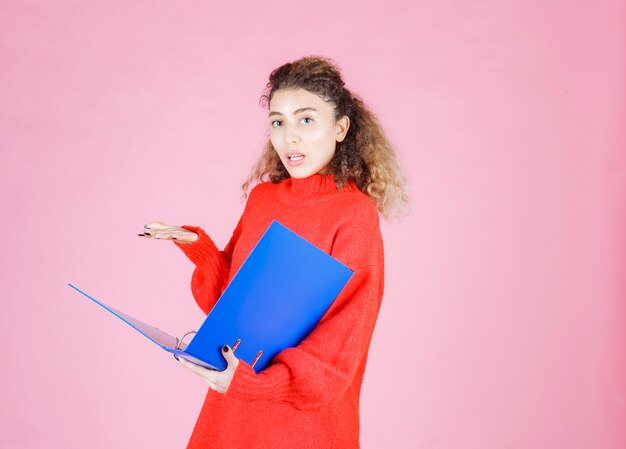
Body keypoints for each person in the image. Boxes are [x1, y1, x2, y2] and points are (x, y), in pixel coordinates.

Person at [138, 56, 408, 449]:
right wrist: (199, 249)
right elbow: (229, 303)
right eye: (278, 122)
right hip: (231, 410)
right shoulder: (263, 200)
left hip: (304, 425)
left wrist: (257, 383)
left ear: (341, 127)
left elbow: (340, 349)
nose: (289, 137)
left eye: (306, 120)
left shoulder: (355, 217)